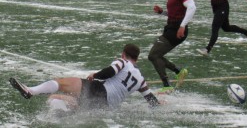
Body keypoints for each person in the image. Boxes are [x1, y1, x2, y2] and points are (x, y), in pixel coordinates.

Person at [10, 44, 160, 111]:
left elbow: (110, 71)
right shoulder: (141, 80)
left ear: (124, 54)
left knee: (62, 83)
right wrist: (161, 103)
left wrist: (95, 75)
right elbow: (152, 101)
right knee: (56, 98)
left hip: (101, 91)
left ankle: (30, 91)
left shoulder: (123, 62)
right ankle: (62, 115)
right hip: (106, 107)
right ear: (137, 58)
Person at [148, 0, 196, 93]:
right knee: (156, 55)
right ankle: (179, 72)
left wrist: (182, 26)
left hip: (176, 30)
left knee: (153, 55)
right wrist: (162, 12)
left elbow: (192, 7)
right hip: (171, 28)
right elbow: (174, 13)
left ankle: (167, 85)